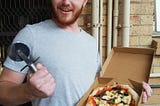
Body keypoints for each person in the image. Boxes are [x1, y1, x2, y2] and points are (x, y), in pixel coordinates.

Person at [0, 0, 152, 106]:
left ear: (85, 1)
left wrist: (132, 95)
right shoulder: (30, 34)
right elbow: (3, 93)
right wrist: (28, 91)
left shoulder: (91, 43)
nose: (66, 2)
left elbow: (97, 89)